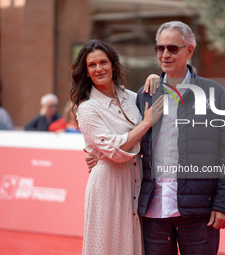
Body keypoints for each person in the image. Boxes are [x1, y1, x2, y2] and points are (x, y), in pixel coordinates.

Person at [135, 21, 225, 255]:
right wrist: (98, 154)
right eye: (160, 48)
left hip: (198, 212)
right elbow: (130, 140)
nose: (165, 54)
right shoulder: (145, 95)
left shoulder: (214, 94)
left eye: (172, 48)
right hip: (153, 211)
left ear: (189, 51)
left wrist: (223, 205)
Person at [70, 39, 163, 255]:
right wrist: (145, 123)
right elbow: (113, 150)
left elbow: (160, 100)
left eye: (103, 62)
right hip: (107, 185)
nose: (98, 68)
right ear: (85, 72)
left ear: (113, 64)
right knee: (106, 246)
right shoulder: (87, 109)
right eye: (91, 65)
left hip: (136, 182)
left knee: (132, 244)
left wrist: (155, 78)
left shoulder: (132, 98)